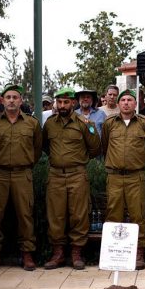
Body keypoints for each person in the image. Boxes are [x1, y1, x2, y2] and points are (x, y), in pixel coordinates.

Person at [0, 84, 43, 271]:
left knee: (25, 214)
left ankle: (27, 253)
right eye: (8, 97)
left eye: (15, 97)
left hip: (22, 173)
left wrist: (24, 164)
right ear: (2, 100)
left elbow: (37, 150)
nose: (11, 100)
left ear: (21, 100)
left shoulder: (32, 123)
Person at [42, 88, 100, 270]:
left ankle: (76, 253)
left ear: (73, 103)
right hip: (55, 175)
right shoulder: (50, 124)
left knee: (79, 214)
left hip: (77, 175)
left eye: (66, 102)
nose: (62, 105)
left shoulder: (85, 123)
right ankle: (58, 253)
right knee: (55, 215)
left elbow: (95, 148)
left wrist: (78, 160)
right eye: (59, 102)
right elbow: (45, 146)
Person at [101, 89, 145, 270]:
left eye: (129, 100)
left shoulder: (144, 123)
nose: (126, 103)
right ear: (118, 103)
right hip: (114, 176)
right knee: (113, 214)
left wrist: (138, 164)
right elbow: (105, 145)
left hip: (135, 176)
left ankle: (139, 252)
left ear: (135, 103)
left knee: (138, 214)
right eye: (123, 100)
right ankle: (113, 253)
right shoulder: (109, 123)